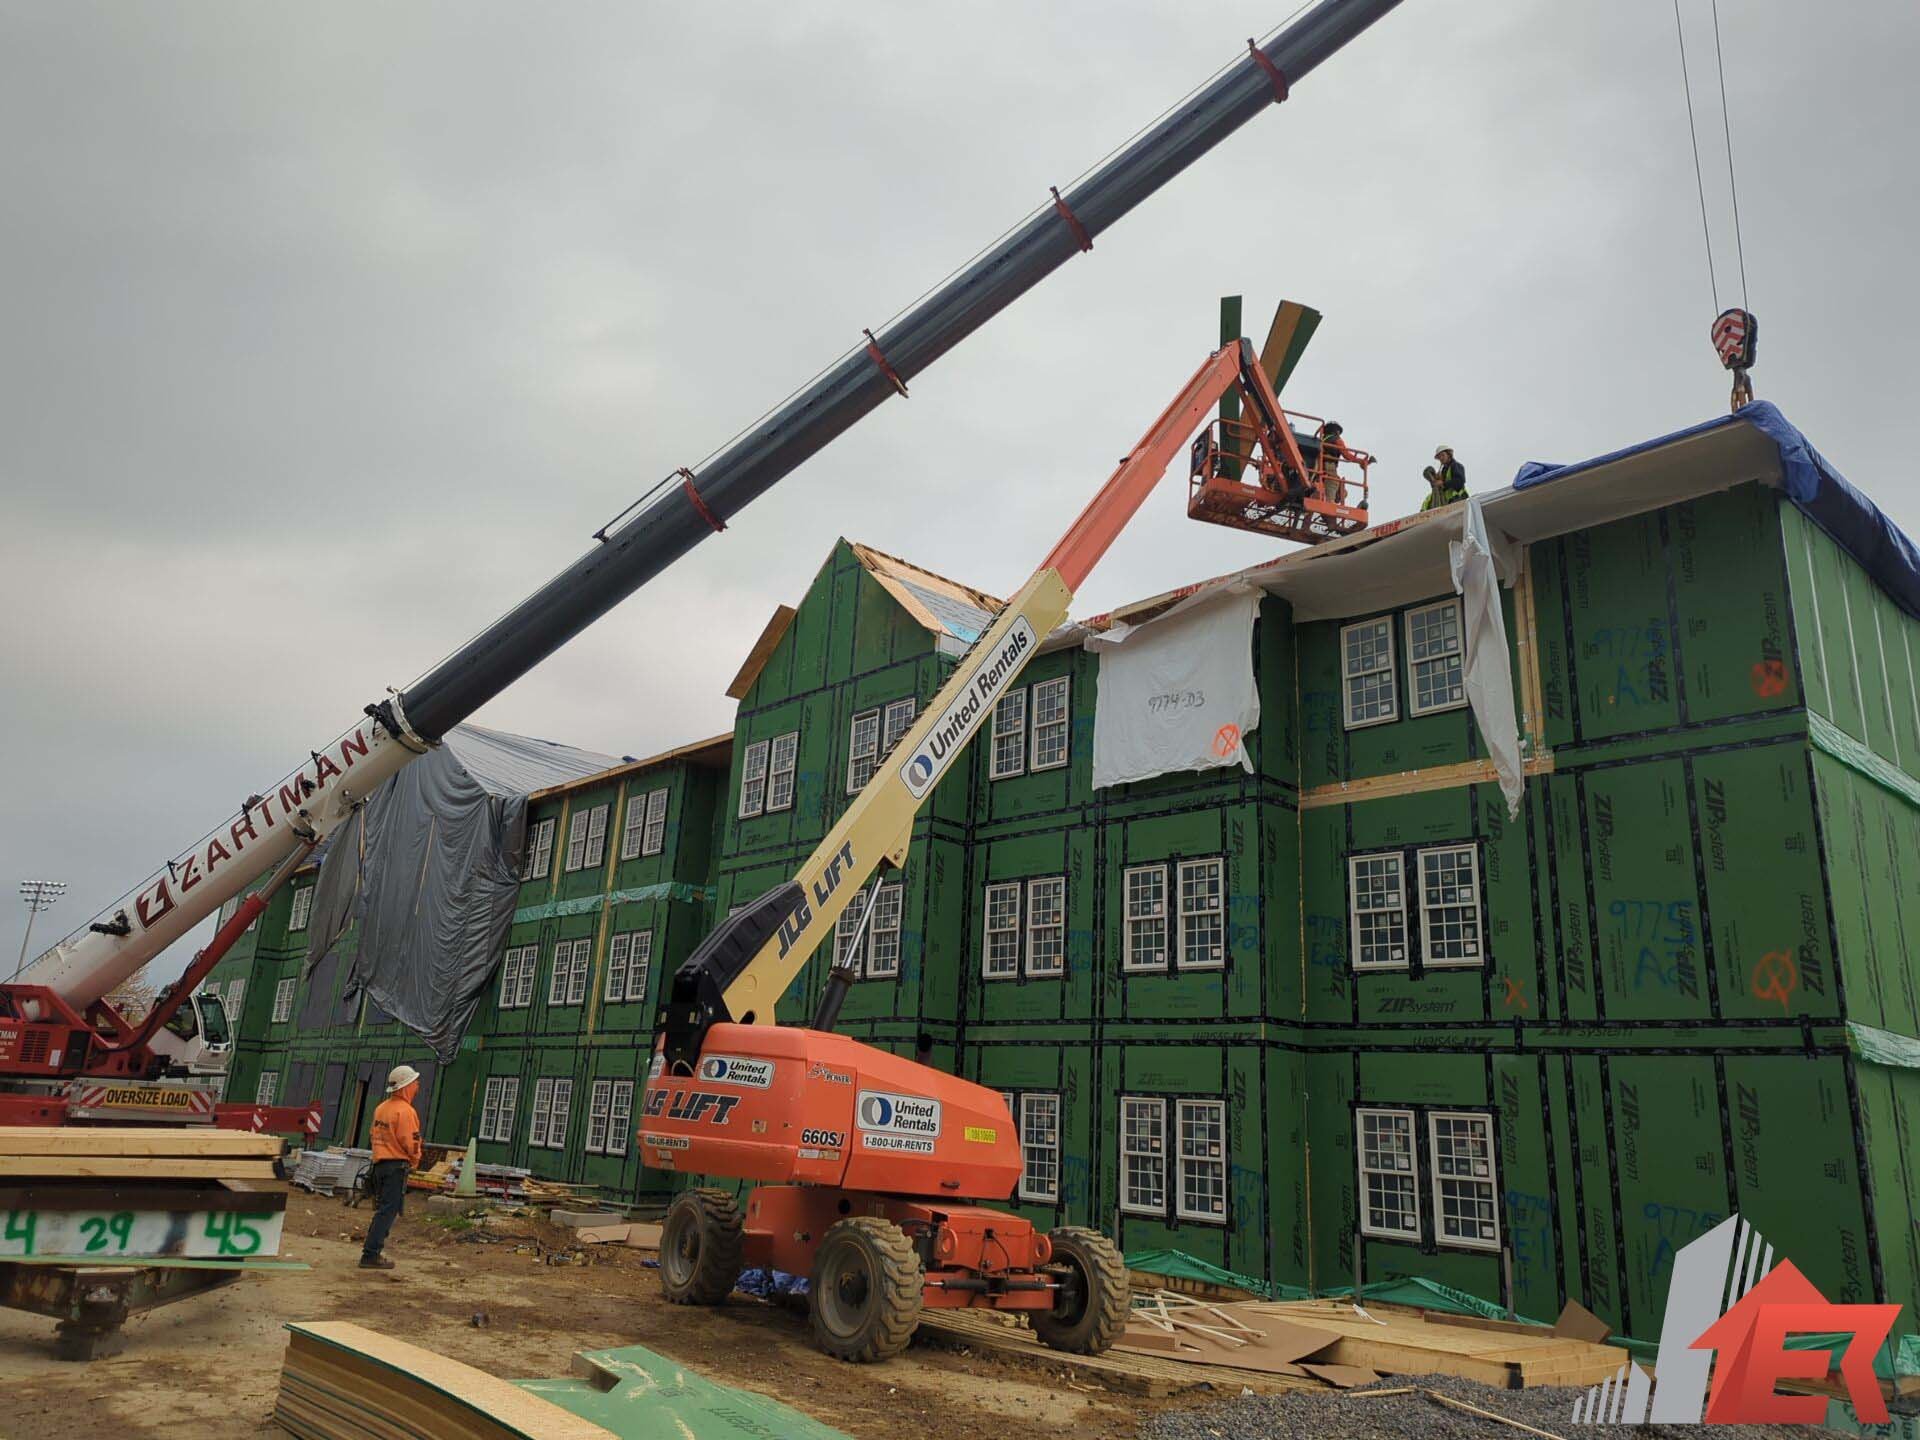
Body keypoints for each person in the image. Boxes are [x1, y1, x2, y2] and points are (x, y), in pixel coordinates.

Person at [361, 1064, 423, 1270]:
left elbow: (373, 1135)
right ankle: (371, 1253)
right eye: (415, 1083)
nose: (417, 1086)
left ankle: (371, 1250)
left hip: (379, 1164)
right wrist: (415, 1160)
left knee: (382, 1209)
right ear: (406, 1086)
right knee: (388, 1211)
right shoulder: (406, 1112)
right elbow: (411, 1142)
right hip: (396, 1166)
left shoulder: (382, 1108)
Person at [1421, 446, 1468, 511]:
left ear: (1449, 454)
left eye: (1443, 455)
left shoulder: (1455, 465)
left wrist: (1443, 483)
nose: (1441, 458)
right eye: (1439, 457)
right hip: (1449, 502)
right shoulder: (1444, 470)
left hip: (1458, 499)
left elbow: (1460, 481)